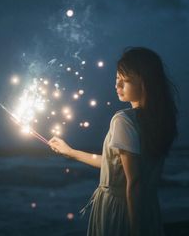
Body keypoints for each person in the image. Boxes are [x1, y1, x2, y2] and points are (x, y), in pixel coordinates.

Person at [49, 47, 179, 236]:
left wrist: (135, 229)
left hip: (121, 210)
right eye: (117, 79)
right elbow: (115, 166)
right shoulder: (160, 120)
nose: (117, 86)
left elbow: (134, 182)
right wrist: (71, 152)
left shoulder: (123, 120)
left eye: (124, 81)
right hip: (148, 208)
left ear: (144, 83)